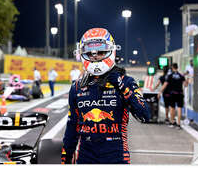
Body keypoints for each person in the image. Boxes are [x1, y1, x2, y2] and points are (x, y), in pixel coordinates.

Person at [61, 28, 150, 164]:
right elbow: (72, 127)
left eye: (101, 52)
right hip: (86, 155)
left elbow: (145, 115)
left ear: (111, 51)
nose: (95, 56)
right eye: (89, 53)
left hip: (116, 155)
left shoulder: (126, 81)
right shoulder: (77, 86)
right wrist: (66, 157)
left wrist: (122, 87)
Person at [158, 63, 188, 130]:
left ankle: (172, 122)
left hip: (172, 94)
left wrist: (160, 92)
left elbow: (165, 84)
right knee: (179, 108)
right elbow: (185, 85)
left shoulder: (170, 76)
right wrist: (187, 81)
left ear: (172, 68)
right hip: (180, 94)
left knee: (172, 108)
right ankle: (179, 124)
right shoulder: (181, 75)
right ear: (177, 67)